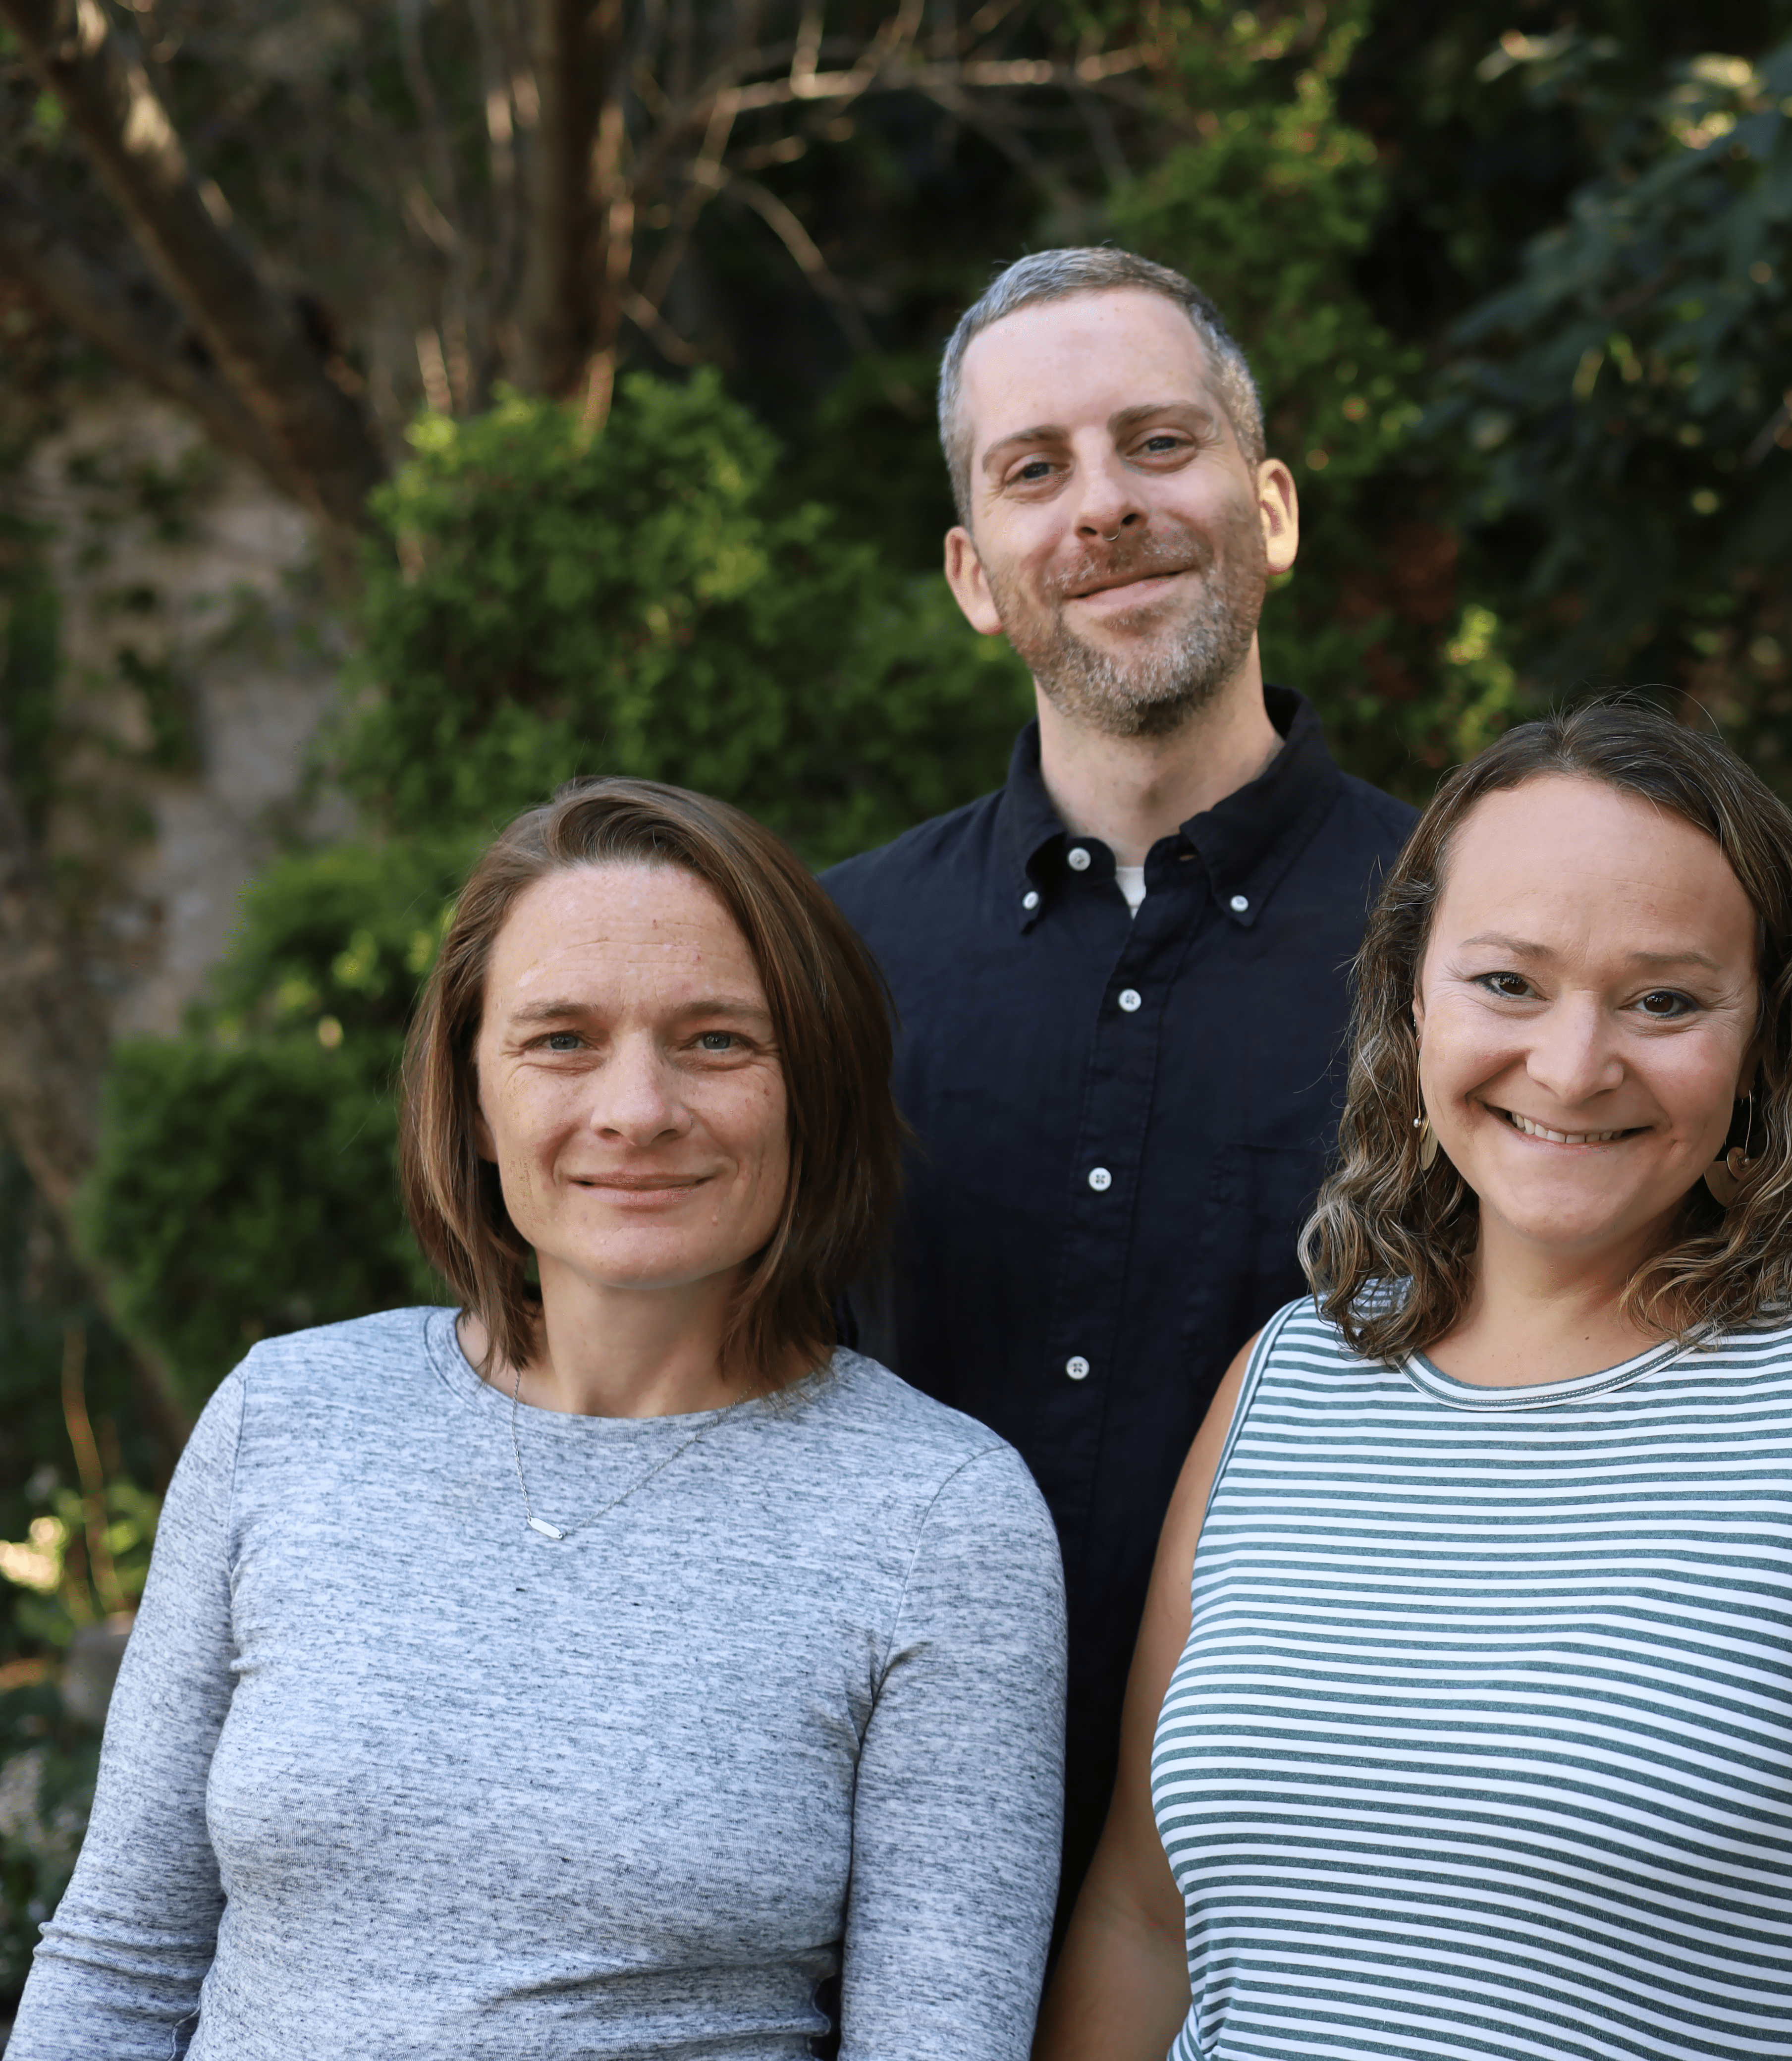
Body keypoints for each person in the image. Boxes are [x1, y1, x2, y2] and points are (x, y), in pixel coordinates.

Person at [1034, 703, 1792, 2059]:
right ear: (1411, 998)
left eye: (1665, 1000)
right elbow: (1143, 1925)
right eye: (1509, 983)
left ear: (1769, 1041)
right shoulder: (1289, 1376)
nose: (1571, 1066)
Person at [8, 778, 1067, 2057]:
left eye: (716, 1041)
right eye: (562, 1040)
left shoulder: (942, 1517)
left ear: (815, 1088)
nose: (636, 1110)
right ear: (472, 1097)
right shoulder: (286, 1420)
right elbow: (119, 1964)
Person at [821, 247, 1417, 1920]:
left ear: (1270, 509)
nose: (1105, 507)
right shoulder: (824, 960)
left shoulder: (1471, 943)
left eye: (1160, 445)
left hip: (1336, 1873)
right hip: (879, 1869)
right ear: (973, 572)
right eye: (1036, 471)